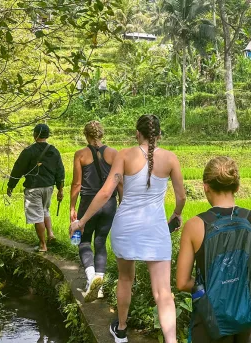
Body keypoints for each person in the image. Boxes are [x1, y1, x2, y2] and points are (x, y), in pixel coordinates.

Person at [69, 114, 186, 343]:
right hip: (156, 230)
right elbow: (181, 197)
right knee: (163, 292)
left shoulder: (124, 155)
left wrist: (81, 221)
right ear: (160, 135)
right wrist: (176, 215)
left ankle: (121, 329)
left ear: (137, 133)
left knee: (125, 279)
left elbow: (105, 193)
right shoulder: (171, 159)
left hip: (126, 228)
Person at [176, 156, 251, 343]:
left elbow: (182, 282)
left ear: (206, 186)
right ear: (237, 187)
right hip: (249, 314)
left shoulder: (195, 226)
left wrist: (216, 284)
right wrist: (241, 282)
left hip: (211, 317)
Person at [70, 121, 121, 303]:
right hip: (109, 204)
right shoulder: (114, 153)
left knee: (84, 241)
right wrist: (121, 204)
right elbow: (120, 182)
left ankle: (91, 278)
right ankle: (98, 284)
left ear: (86, 135)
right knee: (100, 241)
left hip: (88, 203)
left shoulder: (80, 154)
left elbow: (76, 184)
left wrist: (72, 208)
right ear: (101, 134)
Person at [7, 123, 65, 252]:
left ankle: (42, 245)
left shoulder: (29, 151)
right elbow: (60, 172)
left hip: (34, 188)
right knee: (45, 210)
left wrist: (11, 185)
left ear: (35, 135)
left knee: (37, 216)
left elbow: (18, 169)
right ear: (47, 135)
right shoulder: (54, 151)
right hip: (49, 187)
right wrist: (60, 190)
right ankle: (50, 234)